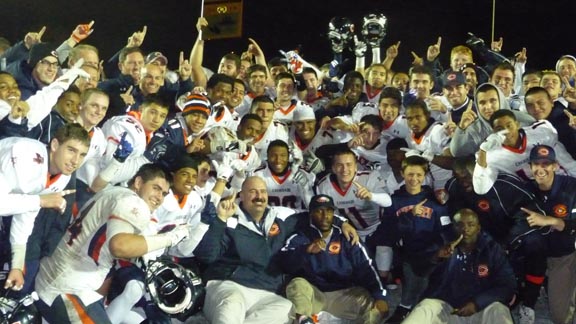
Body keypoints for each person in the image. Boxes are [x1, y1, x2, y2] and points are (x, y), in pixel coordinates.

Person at [33, 164, 191, 323]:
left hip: (61, 277)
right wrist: (172, 237)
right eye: (156, 188)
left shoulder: (114, 192)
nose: (159, 197)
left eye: (164, 193)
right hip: (66, 288)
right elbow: (119, 246)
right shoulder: (134, 203)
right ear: (138, 183)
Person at [194, 176, 359, 324]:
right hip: (230, 285)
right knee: (232, 304)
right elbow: (206, 256)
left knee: (286, 309)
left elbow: (316, 214)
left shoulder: (280, 217)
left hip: (267, 291)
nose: (259, 196)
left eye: (262, 191)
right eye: (253, 192)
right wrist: (221, 219)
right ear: (241, 196)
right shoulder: (229, 218)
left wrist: (341, 222)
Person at [0, 123, 90, 291]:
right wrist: (40, 201)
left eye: (82, 154)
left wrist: (17, 265)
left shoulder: (61, 176)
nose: (75, 161)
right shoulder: (24, 156)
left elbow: (25, 213)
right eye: (71, 150)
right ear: (55, 145)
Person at [278, 194, 389, 324]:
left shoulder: (347, 237)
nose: (325, 216)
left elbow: (367, 267)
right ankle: (303, 320)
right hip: (314, 295)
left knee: (372, 305)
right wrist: (306, 250)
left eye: (329, 211)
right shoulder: (300, 236)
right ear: (311, 214)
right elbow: (283, 263)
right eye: (319, 211)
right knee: (297, 285)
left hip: (343, 294)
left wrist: (380, 296)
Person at [370, 155, 455, 323]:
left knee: (430, 293)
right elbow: (387, 234)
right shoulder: (394, 201)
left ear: (425, 176)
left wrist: (446, 249)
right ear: (402, 173)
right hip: (408, 255)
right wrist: (408, 217)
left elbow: (446, 230)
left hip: (434, 254)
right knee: (411, 289)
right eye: (410, 174)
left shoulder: (436, 201)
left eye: (418, 175)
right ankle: (404, 307)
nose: (414, 179)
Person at [402, 208, 516, 324]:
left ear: (478, 228)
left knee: (499, 310)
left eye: (470, 225)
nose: (465, 229)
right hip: (445, 309)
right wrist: (436, 256)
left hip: (481, 310)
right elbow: (418, 270)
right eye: (459, 225)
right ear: (453, 227)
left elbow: (508, 284)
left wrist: (477, 303)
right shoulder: (441, 242)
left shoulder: (492, 249)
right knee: (425, 307)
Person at [518, 145, 576, 324]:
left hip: (568, 254)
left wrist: (550, 220)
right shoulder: (525, 190)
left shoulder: (571, 186)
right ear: (530, 166)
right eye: (536, 164)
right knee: (559, 317)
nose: (540, 169)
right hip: (543, 258)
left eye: (546, 164)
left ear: (555, 166)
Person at [473, 109, 576, 195]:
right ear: (493, 132)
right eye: (500, 129)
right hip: (535, 195)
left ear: (517, 124)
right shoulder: (491, 155)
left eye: (509, 126)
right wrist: (483, 150)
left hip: (564, 182)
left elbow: (566, 160)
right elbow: (481, 189)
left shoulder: (541, 132)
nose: (506, 132)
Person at [449, 82, 535, 157]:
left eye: (493, 101)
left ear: (501, 100)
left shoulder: (522, 120)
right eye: (482, 103)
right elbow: (456, 152)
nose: (488, 107)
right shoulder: (475, 130)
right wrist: (461, 127)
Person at [253, 140, 314, 209]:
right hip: (268, 218)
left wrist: (305, 187)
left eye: (283, 155)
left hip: (296, 217)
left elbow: (312, 207)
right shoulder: (258, 175)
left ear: (288, 157)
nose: (278, 160)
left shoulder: (301, 173)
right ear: (267, 156)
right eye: (273, 155)